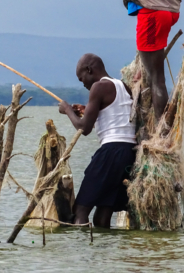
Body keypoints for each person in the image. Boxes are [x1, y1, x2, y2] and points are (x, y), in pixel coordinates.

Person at [58, 53, 136, 228]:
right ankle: (104, 254)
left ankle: (82, 253)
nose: (84, 84)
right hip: (128, 154)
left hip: (111, 151)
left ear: (89, 69)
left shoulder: (98, 87)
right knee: (103, 213)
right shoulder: (123, 86)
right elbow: (113, 115)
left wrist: (67, 110)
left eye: (82, 78)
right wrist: (87, 110)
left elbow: (84, 128)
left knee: (80, 210)